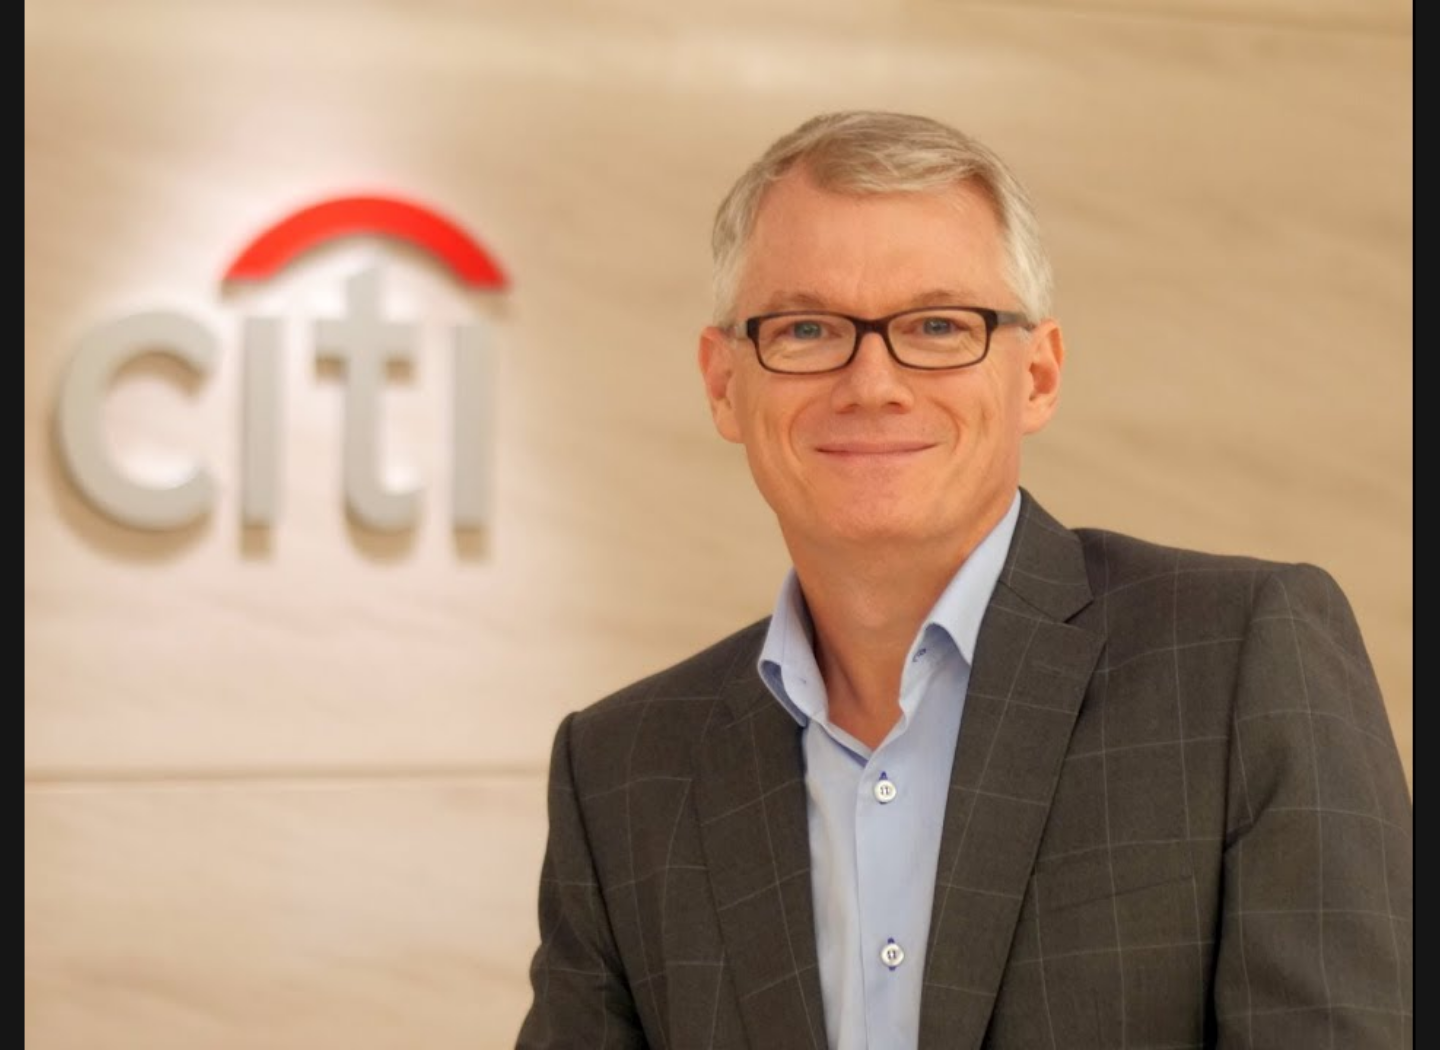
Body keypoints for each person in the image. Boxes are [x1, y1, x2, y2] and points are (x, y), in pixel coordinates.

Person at [515, 110, 1413, 1049]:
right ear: (722, 383)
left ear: (1039, 376)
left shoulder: (1238, 661)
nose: (872, 383)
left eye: (939, 325)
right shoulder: (622, 771)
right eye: (807, 328)